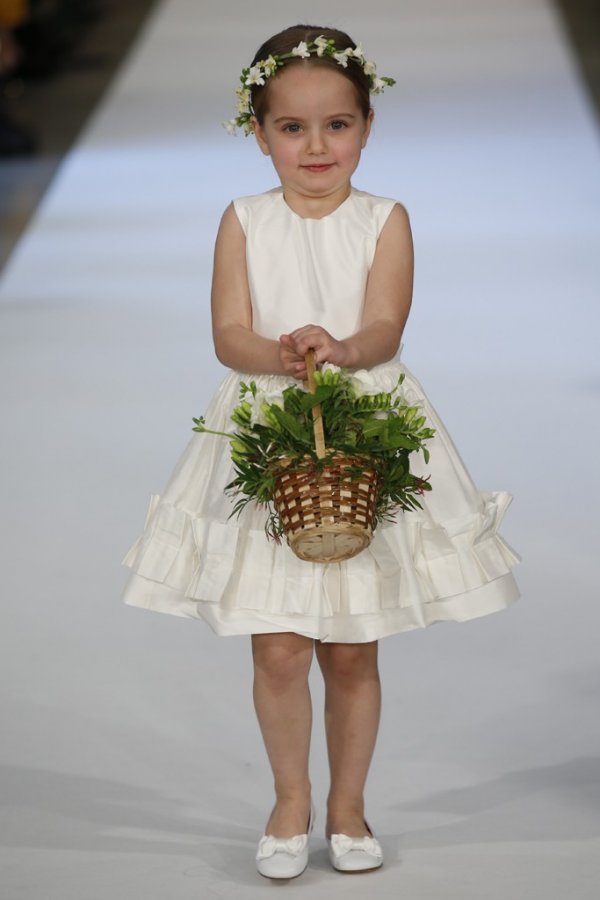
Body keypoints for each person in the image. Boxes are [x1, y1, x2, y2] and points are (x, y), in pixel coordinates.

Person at [121, 24, 520, 879]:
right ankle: (290, 797)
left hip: (362, 423)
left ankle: (349, 806)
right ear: (257, 132)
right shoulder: (243, 220)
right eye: (292, 127)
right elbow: (230, 333)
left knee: (351, 643)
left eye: (336, 125)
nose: (315, 145)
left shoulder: (386, 219)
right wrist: (283, 354)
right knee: (276, 643)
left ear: (367, 126)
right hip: (270, 430)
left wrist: (337, 346)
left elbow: (385, 325)